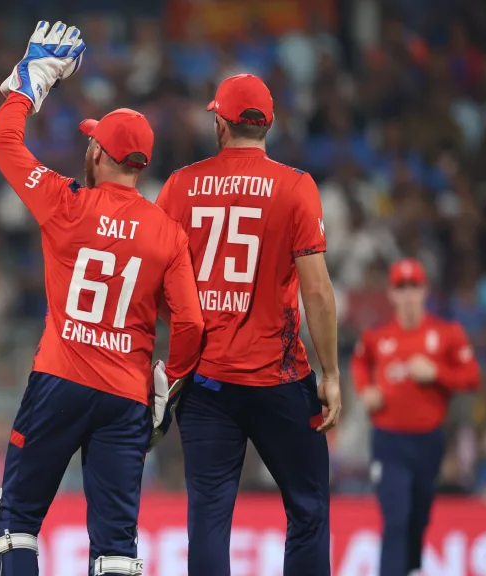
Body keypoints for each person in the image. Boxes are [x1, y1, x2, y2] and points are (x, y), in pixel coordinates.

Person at [0, 21, 204, 576]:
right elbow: (192, 325)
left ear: (99, 154)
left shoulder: (65, 202)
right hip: (127, 397)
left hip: (58, 380)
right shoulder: (167, 232)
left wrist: (32, 79)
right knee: (115, 547)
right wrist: (166, 392)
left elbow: (0, 140)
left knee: (15, 524)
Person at [155, 73, 342, 576]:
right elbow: (318, 290)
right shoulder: (296, 187)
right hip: (279, 379)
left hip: (206, 380)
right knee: (307, 508)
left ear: (220, 122)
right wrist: (331, 374)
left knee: (210, 519)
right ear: (269, 124)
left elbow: (150, 279)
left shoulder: (180, 186)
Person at [352, 258, 481, 576]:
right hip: (389, 441)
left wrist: (437, 372)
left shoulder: (446, 333)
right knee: (396, 516)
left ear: (425, 291)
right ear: (392, 295)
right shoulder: (378, 337)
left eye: (414, 287)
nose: (408, 295)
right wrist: (365, 390)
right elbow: (359, 362)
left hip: (428, 441)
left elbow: (471, 377)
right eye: (401, 288)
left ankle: (411, 568)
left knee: (418, 516)